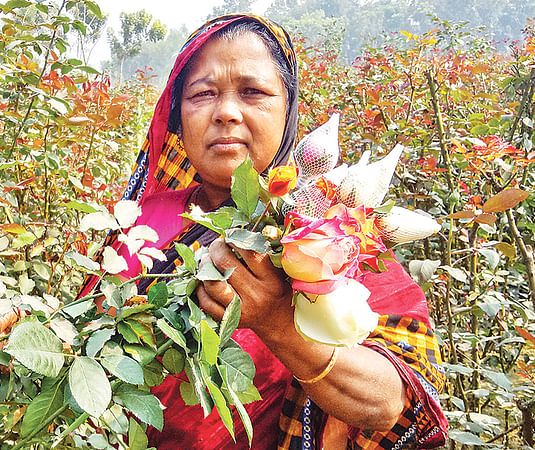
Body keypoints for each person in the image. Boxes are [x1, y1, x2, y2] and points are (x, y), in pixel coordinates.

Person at [82, 14, 447, 449]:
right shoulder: (136, 222)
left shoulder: (333, 236)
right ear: (177, 118)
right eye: (203, 94)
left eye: (253, 92)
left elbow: (390, 404)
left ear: (288, 110)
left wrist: (277, 323)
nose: (226, 113)